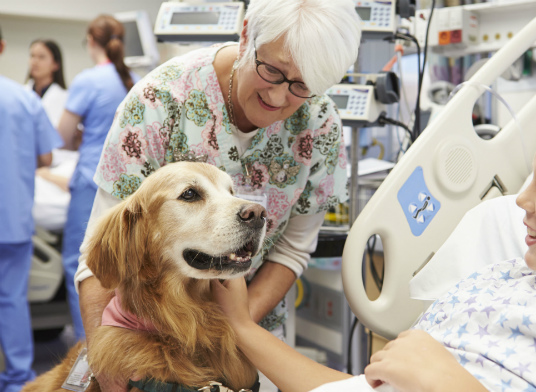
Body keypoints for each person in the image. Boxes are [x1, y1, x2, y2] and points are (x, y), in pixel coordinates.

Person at [212, 92, 536, 392]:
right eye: (531, 179)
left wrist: (451, 386)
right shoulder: (494, 282)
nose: (521, 200)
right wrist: (240, 326)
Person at [74, 1, 361, 391]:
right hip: (146, 340)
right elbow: (102, 253)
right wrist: (105, 367)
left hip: (251, 341)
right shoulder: (159, 102)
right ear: (246, 37)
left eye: (302, 86)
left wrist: (233, 328)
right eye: (272, 71)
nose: (279, 98)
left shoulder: (320, 125)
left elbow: (292, 249)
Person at [56, 14, 139, 342]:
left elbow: (61, 136)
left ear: (91, 41)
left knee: (82, 268)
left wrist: (81, 134)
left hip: (92, 183)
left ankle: (88, 355)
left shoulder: (88, 80)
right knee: (123, 270)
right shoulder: (136, 78)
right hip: (131, 188)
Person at [0, 26, 63, 392]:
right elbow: (47, 155)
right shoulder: (24, 99)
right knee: (11, 301)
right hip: (12, 219)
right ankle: (17, 378)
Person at [25, 39, 68, 128]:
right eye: (32, 56)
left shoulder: (66, 98)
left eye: (41, 57)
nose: (35, 61)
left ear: (56, 64)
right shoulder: (21, 92)